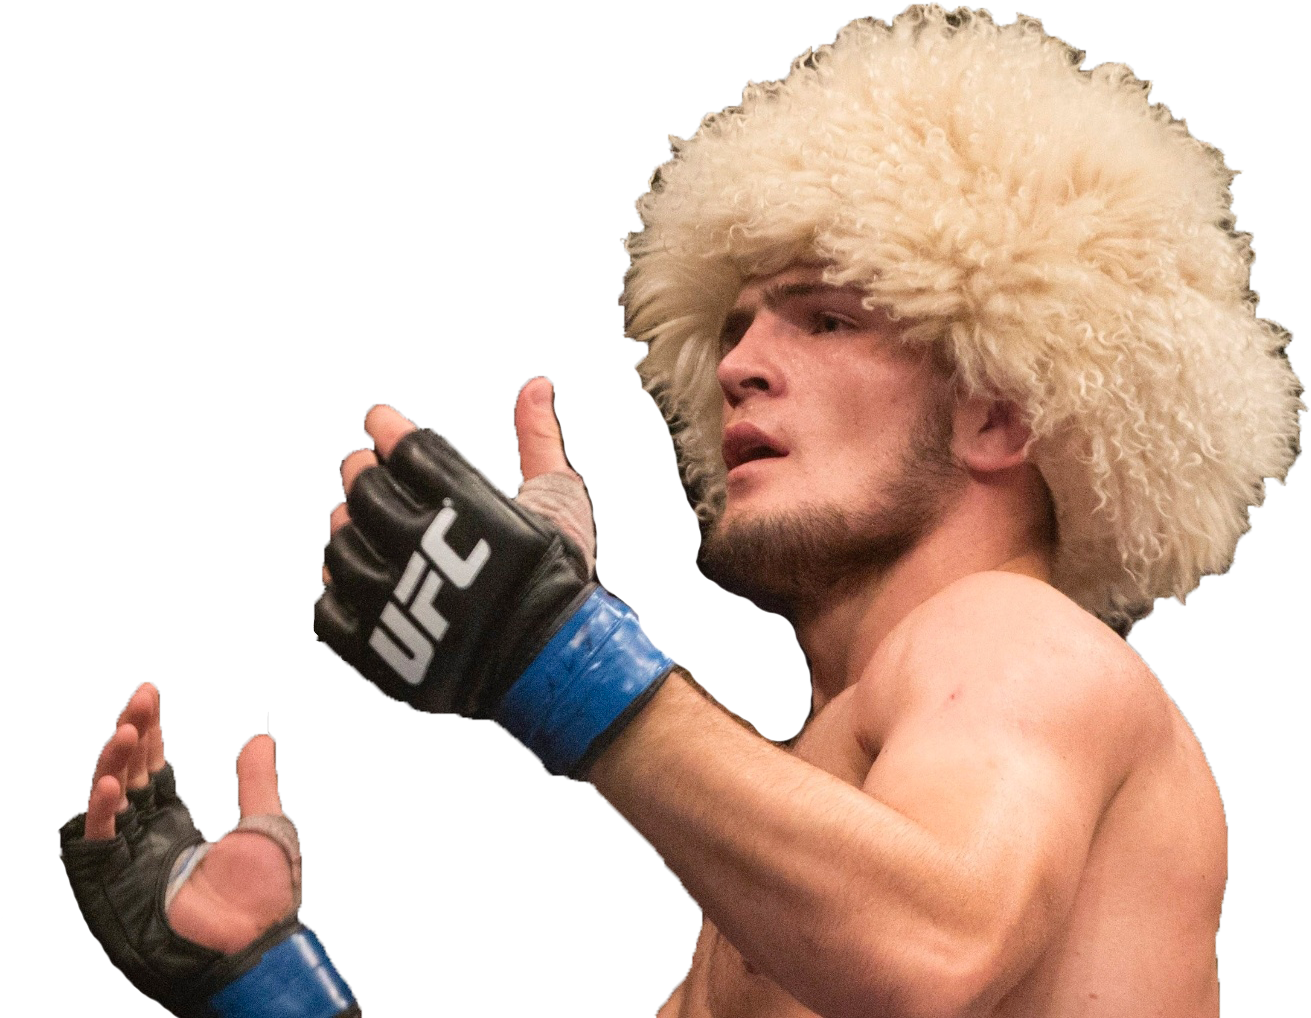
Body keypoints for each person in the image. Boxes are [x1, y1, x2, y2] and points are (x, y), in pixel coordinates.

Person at [60, 5, 1300, 1015]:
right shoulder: (811, 815)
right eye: (737, 326)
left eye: (826, 318)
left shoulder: (1021, 642)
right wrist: (265, 986)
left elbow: (935, 951)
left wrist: (554, 648)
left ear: (999, 418)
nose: (740, 365)